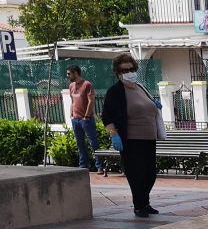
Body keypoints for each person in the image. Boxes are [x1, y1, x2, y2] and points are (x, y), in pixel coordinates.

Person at [101, 53, 161, 218]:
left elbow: (149, 105)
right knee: (137, 174)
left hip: (149, 137)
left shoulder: (140, 87)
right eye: (125, 70)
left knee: (150, 174)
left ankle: (145, 202)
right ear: (118, 73)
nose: (129, 72)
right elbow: (107, 116)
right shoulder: (115, 91)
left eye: (131, 69)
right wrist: (114, 134)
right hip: (131, 139)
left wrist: (154, 105)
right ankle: (139, 205)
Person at [67, 65, 104, 175]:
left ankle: (100, 166)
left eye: (69, 73)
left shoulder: (87, 85)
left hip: (86, 120)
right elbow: (72, 101)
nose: (68, 75)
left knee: (93, 143)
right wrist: (72, 114)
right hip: (75, 119)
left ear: (76, 73)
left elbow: (91, 101)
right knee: (80, 143)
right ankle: (83, 166)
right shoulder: (71, 86)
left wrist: (87, 116)